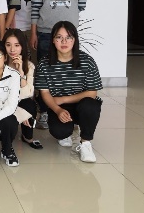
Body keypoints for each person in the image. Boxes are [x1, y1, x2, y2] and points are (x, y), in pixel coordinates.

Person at [30, 0, 87, 129]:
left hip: (69, 35)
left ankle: (70, 111)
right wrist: (34, 32)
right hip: (46, 32)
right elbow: (35, 7)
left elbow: (81, 4)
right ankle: (45, 112)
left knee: (70, 72)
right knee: (45, 72)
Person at [35, 21, 102, 163]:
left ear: (74, 40)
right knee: (60, 132)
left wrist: (63, 99)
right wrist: (57, 109)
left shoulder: (87, 61)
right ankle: (66, 132)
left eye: (69, 37)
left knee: (90, 106)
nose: (64, 41)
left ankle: (85, 143)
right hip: (58, 106)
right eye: (59, 37)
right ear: (53, 40)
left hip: (82, 104)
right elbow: (45, 93)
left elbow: (92, 93)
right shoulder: (44, 64)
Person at [3, 29, 42, 149]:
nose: (12, 49)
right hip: (2, 103)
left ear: (22, 47)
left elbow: (28, 93)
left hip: (18, 101)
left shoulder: (29, 66)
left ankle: (27, 137)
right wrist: (20, 113)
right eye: (8, 45)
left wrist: (20, 74)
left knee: (30, 105)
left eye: (17, 45)